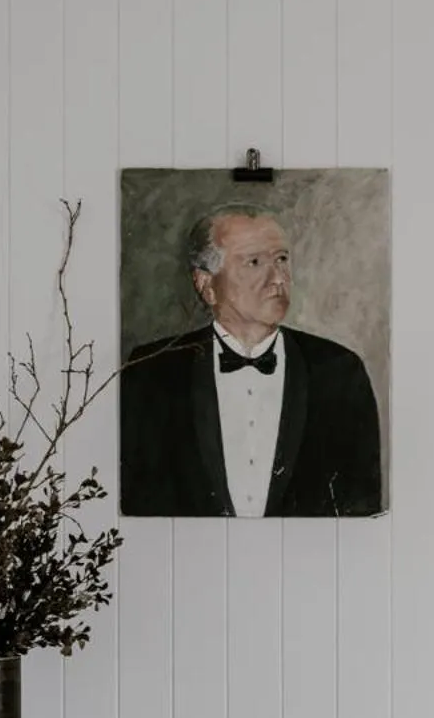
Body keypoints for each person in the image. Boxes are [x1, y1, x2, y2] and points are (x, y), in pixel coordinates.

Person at [121, 205, 384, 518]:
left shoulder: (339, 370)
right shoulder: (150, 372)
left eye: (282, 259)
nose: (278, 278)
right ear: (206, 285)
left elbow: (361, 507)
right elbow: (135, 502)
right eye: (255, 262)